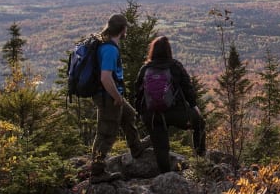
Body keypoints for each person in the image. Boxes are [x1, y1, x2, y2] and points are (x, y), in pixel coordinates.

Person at [132, 35, 207, 173]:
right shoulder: (175, 66)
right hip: (176, 112)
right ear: (168, 51)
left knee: (160, 147)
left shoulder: (145, 69)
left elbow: (138, 93)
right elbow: (187, 88)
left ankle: (165, 176)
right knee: (199, 123)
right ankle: (200, 159)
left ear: (152, 51)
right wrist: (194, 106)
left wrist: (140, 113)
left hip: (152, 115)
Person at [88, 13, 144, 181]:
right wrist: (117, 97)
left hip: (108, 94)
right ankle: (97, 171)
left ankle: (136, 147)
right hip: (107, 96)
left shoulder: (105, 44)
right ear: (122, 30)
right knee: (106, 133)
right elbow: (105, 77)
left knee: (129, 114)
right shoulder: (110, 49)